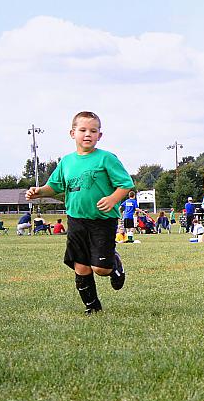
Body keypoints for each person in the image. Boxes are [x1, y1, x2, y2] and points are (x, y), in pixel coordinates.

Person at [25, 111, 133, 314]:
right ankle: (92, 307)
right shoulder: (67, 162)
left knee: (100, 269)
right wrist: (39, 192)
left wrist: (112, 199)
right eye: (82, 130)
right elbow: (54, 186)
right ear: (72, 133)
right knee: (81, 266)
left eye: (93, 130)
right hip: (76, 220)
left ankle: (114, 262)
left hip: (102, 220)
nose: (87, 134)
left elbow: (125, 185)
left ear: (100, 135)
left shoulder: (106, 158)